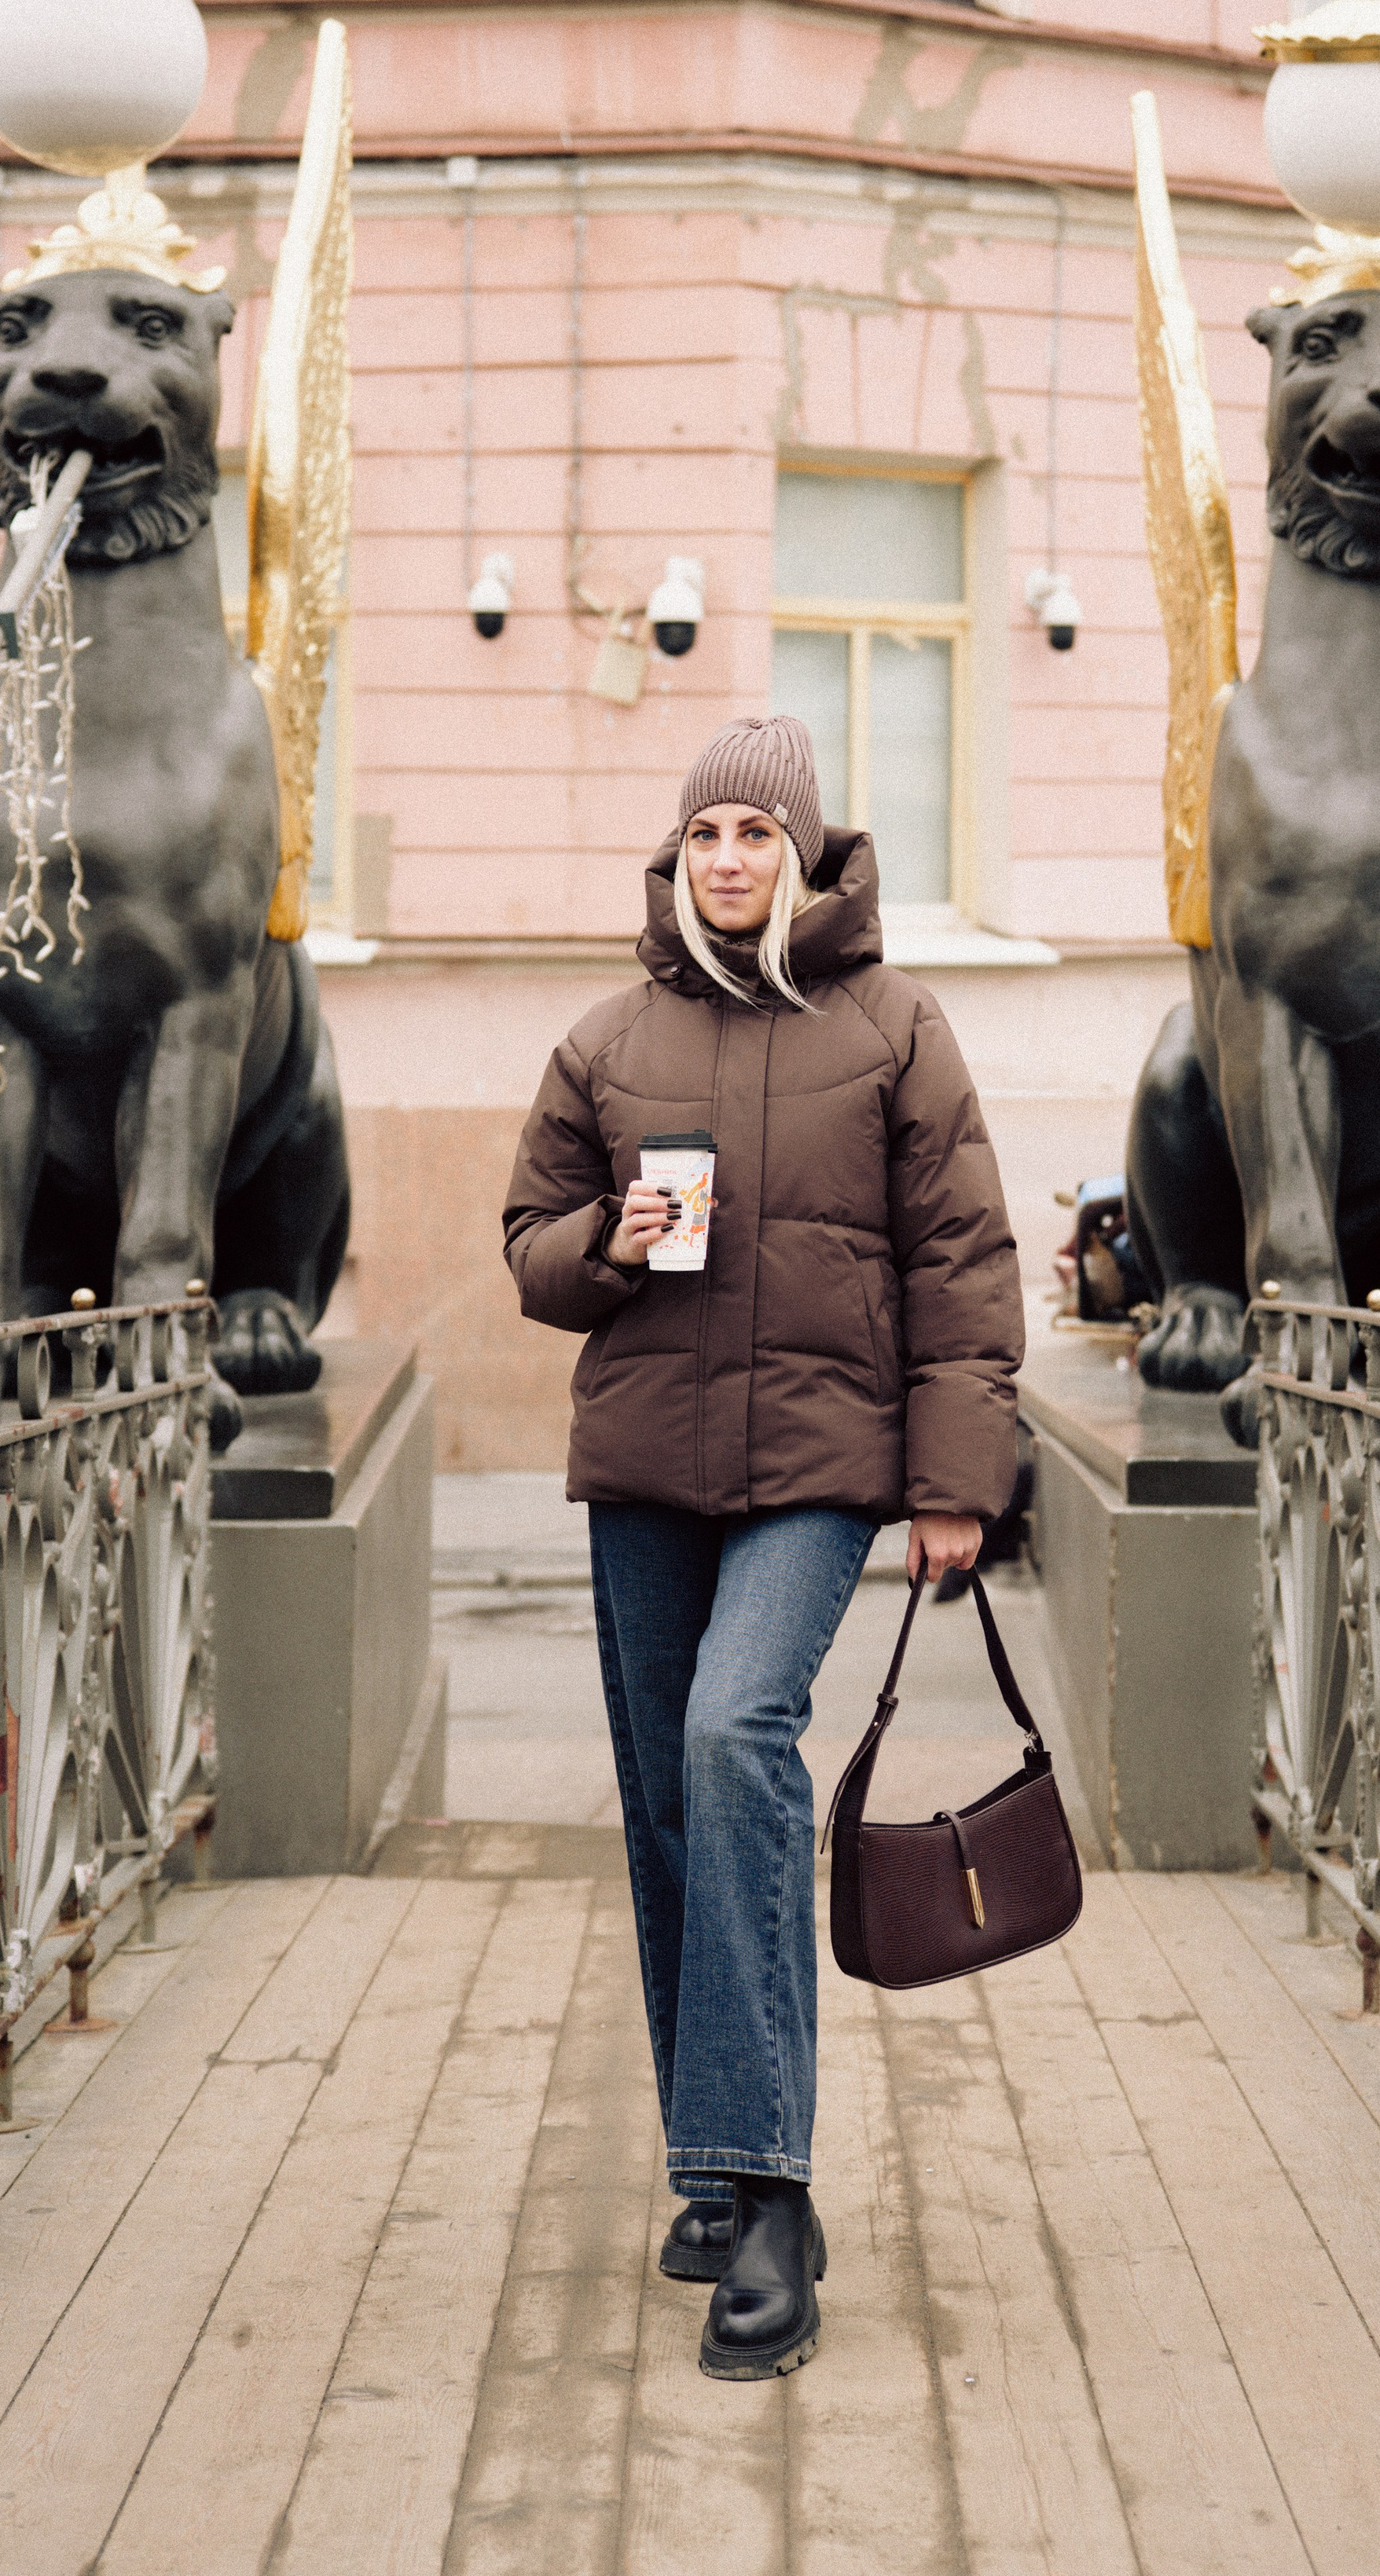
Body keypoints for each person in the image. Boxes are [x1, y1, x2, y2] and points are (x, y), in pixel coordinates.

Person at [504, 713, 1023, 2380]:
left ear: (805, 853)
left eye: (756, 832)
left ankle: (777, 2193)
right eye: (704, 834)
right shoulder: (604, 1039)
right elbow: (530, 1248)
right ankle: (710, 2164)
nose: (728, 859)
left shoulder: (893, 1027)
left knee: (737, 1737)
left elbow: (964, 1263)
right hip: (647, 1462)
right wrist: (609, 1239)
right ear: (676, 860)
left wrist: (960, 1485)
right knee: (664, 1792)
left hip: (816, 1464)